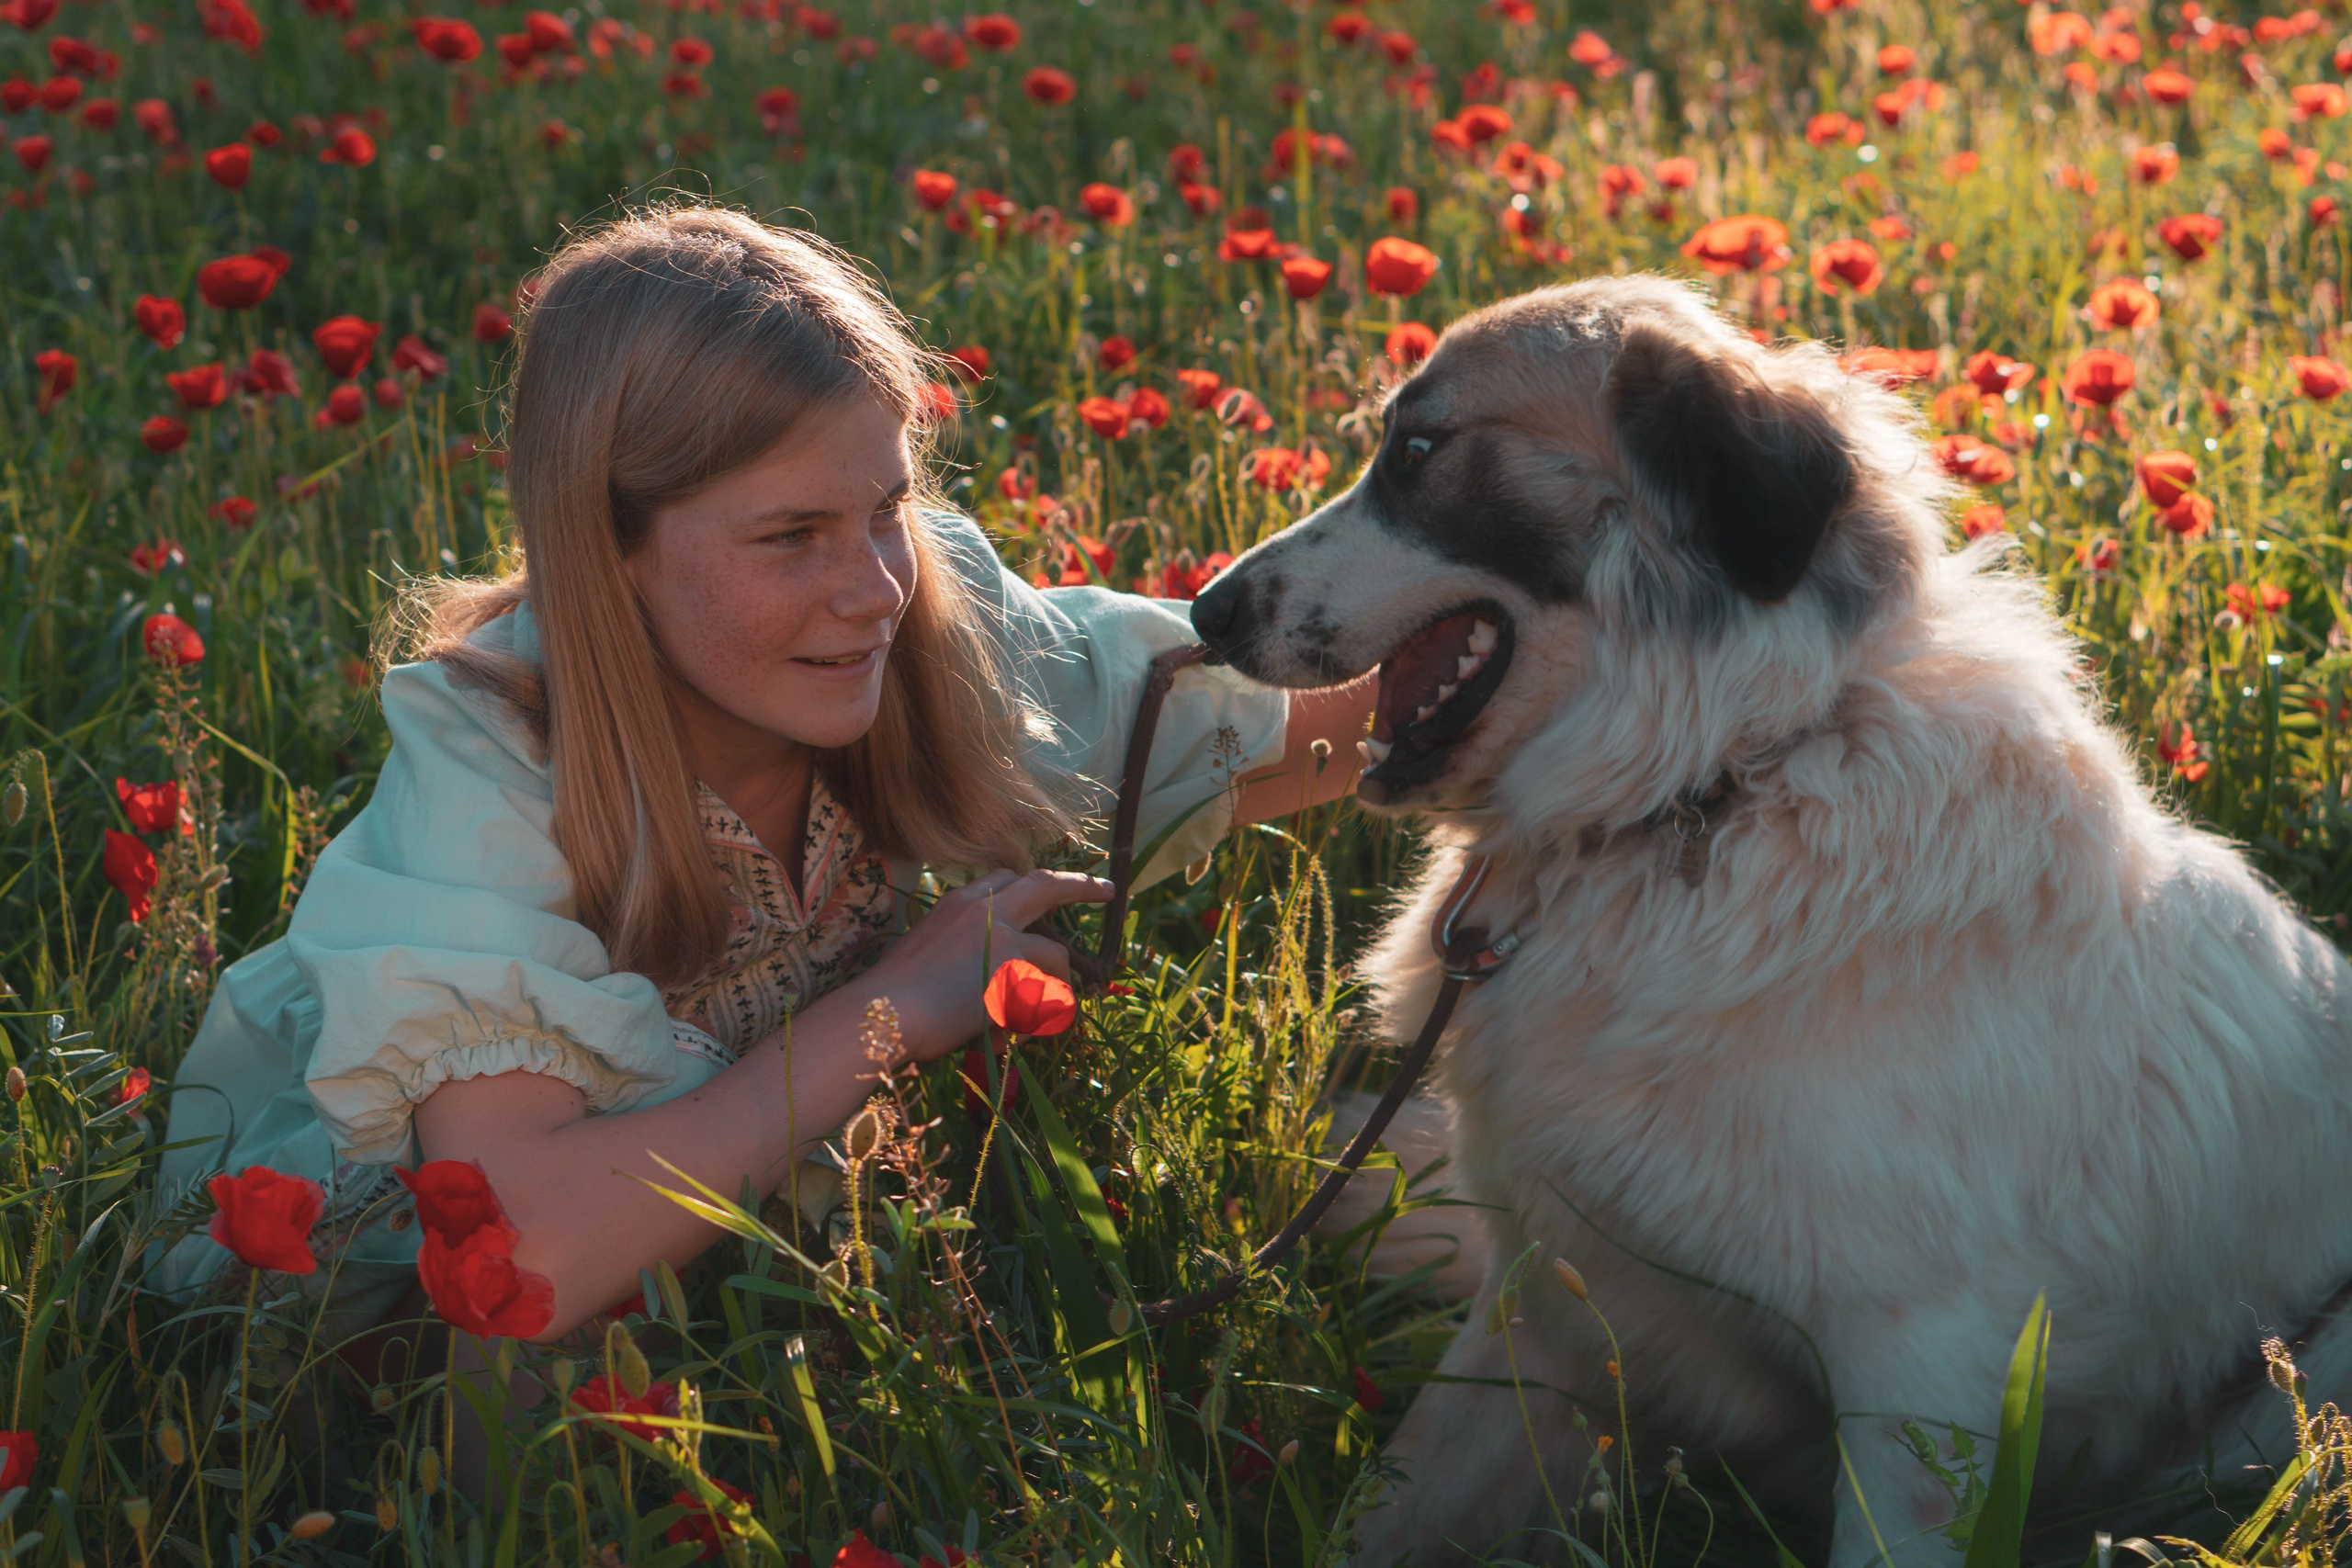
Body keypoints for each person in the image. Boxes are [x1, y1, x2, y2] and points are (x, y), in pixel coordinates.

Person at [149, 201, 1374, 1356]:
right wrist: (900, 1009)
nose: (873, 589)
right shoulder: (499, 764)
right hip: (413, 1349)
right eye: (789, 537)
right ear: (609, 546)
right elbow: (524, 1256)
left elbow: (1287, 732)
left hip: (786, 1293)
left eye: (887, 508)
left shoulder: (923, 622)